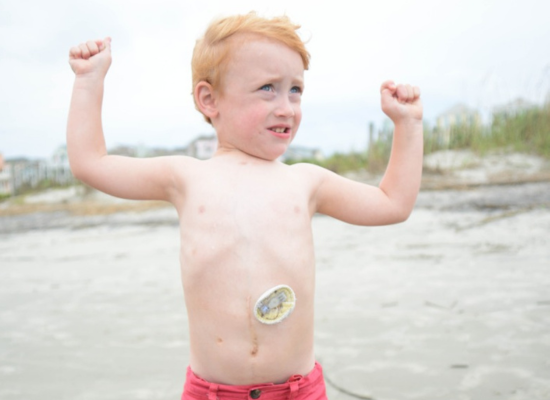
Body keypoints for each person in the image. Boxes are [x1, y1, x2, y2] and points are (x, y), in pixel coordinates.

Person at [67, 12, 422, 400]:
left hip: (298, 392)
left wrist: (408, 125)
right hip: (211, 393)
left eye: (295, 90)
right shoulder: (185, 178)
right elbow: (91, 163)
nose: (286, 106)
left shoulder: (306, 182)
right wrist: (88, 80)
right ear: (209, 99)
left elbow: (393, 203)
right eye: (268, 88)